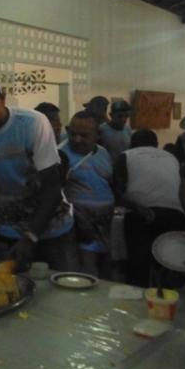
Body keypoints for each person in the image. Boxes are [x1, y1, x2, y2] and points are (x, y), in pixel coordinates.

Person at [0, 72, 77, 272]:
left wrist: (31, 237)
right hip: (8, 232)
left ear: (2, 99)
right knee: (13, 289)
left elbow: (52, 189)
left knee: (60, 294)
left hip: (52, 231)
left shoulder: (32, 124)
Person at [113, 129, 185, 288]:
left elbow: (117, 191)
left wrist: (134, 206)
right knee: (168, 266)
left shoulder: (126, 155)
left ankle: (136, 305)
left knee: (138, 266)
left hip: (144, 215)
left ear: (132, 143)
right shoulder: (171, 157)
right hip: (176, 215)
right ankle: (167, 300)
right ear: (156, 144)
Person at [59, 111, 114, 278]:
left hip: (105, 224)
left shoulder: (103, 153)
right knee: (87, 273)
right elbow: (56, 194)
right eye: (73, 134)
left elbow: (109, 183)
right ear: (67, 130)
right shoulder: (60, 154)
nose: (77, 139)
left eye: (84, 135)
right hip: (80, 226)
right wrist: (78, 220)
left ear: (97, 135)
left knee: (107, 272)